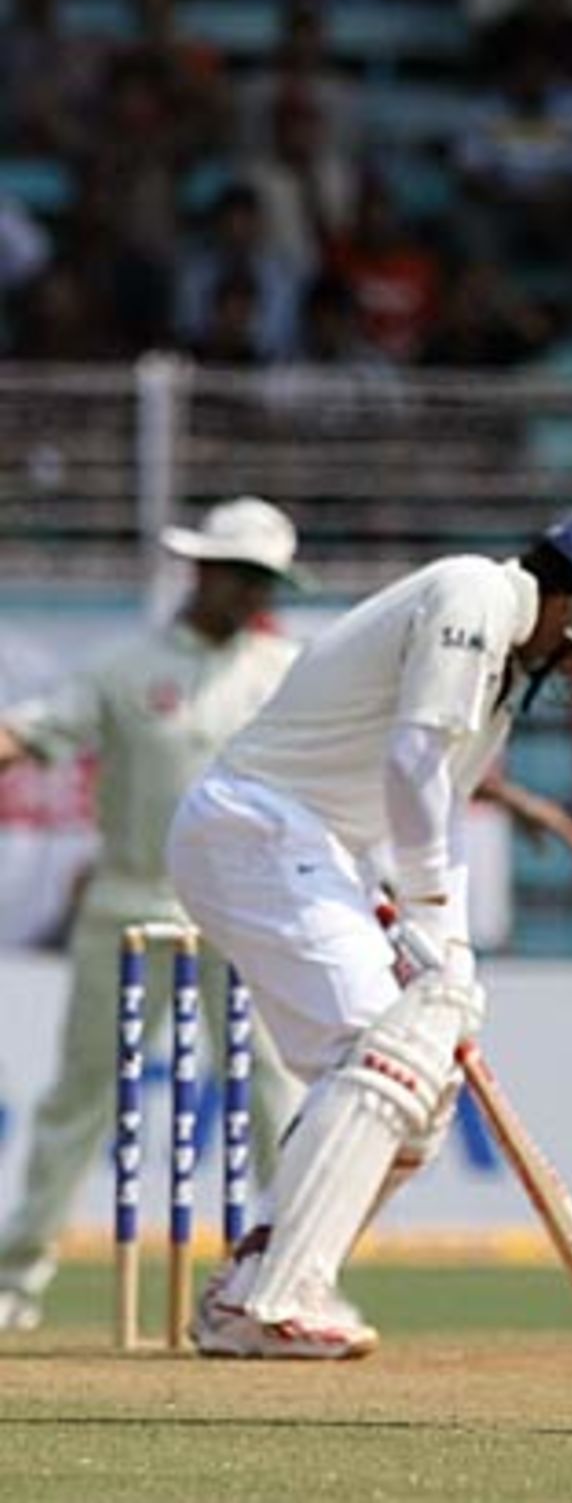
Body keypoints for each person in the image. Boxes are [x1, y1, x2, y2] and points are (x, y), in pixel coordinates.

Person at [165, 510, 572, 1359]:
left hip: (317, 851)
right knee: (379, 1049)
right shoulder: (474, 590)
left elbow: (424, 805)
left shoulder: (497, 689)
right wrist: (437, 923)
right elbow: (412, 765)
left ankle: (253, 1282)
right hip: (258, 824)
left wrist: (441, 947)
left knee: (422, 1100)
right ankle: (276, 1300)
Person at [0, 497, 308, 1332]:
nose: (252, 593)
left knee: (276, 1096)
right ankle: (15, 1281)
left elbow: (368, 755)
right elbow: (31, 733)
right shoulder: (126, 666)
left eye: (265, 580)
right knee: (81, 1099)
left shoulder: (286, 669)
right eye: (241, 574)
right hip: (129, 905)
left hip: (244, 915)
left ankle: (295, 1280)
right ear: (201, 568)